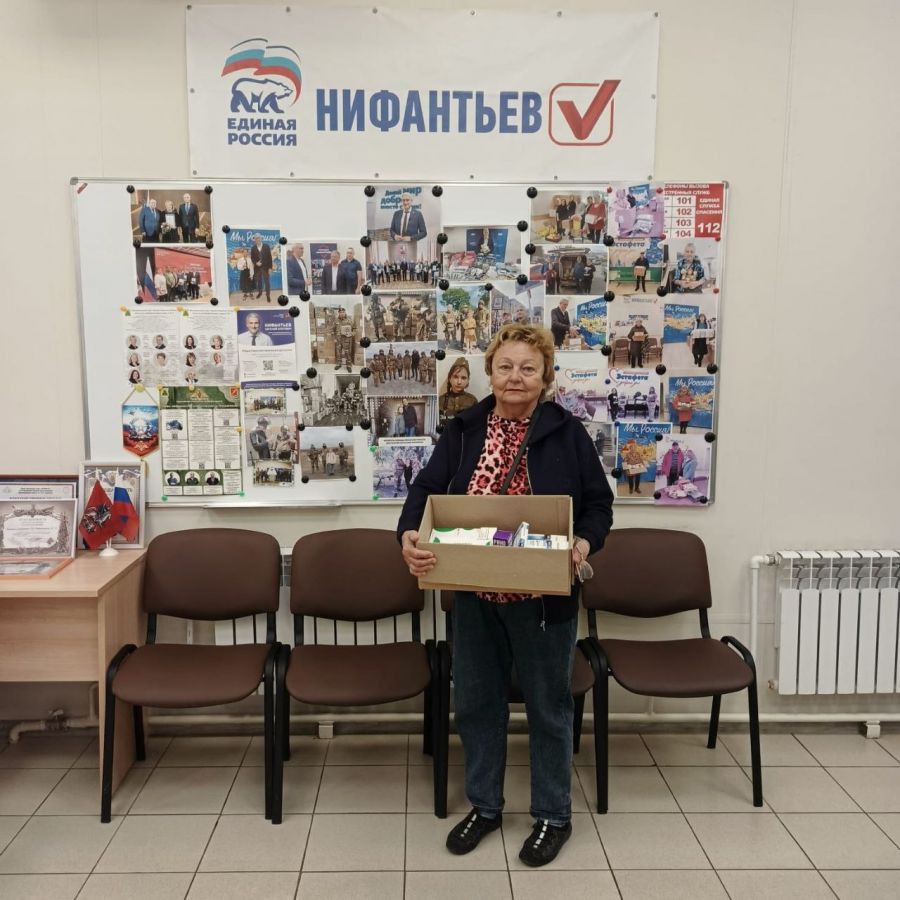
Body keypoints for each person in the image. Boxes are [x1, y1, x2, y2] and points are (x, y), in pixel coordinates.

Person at [398, 324, 614, 868]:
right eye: (505, 366)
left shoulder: (568, 432)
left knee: (548, 706)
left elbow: (598, 504)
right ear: (490, 371)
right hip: (474, 593)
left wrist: (583, 542)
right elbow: (426, 489)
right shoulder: (464, 428)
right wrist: (408, 535)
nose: (515, 377)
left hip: (543, 600)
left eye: (528, 368)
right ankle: (486, 806)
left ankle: (553, 816)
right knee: (476, 704)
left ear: (545, 377)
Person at [439, 357, 478, 424]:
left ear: (468, 380)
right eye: (455, 377)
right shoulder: (441, 400)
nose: (459, 382)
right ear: (449, 378)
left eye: (463, 378)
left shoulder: (472, 400)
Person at [250, 234, 274, 301]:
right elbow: (252, 258)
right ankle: (260, 293)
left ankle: (268, 295)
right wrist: (256, 263)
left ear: (261, 238)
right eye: (256, 238)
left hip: (266, 268)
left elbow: (270, 257)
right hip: (257, 269)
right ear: (254, 240)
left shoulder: (266, 246)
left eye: (258, 238)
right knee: (259, 282)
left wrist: (270, 268)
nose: (257, 239)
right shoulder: (253, 248)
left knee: (267, 282)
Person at [332, 307, 356, 371]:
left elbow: (354, 328)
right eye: (340, 312)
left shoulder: (349, 320)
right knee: (338, 352)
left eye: (343, 312)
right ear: (339, 313)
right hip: (338, 339)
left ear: (345, 312)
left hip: (346, 340)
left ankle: (348, 365)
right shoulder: (336, 320)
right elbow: (333, 330)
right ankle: (339, 364)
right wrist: (334, 338)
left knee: (347, 352)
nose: (342, 313)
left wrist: (352, 333)